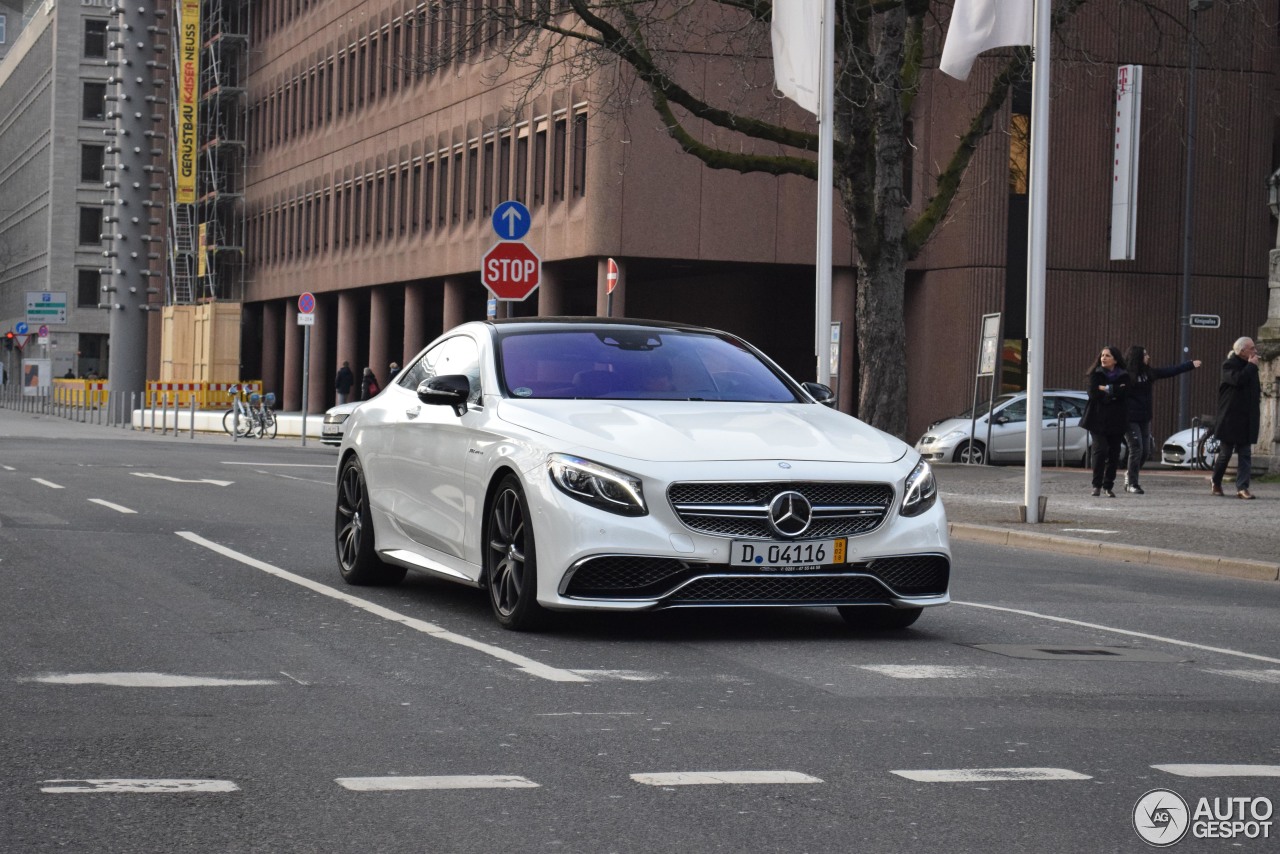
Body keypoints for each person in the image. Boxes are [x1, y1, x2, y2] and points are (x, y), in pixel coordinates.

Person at [1121, 346, 1201, 494]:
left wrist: (1188, 365)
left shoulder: (1148, 373)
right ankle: (1133, 483)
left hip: (1144, 418)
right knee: (1136, 448)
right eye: (1145, 354)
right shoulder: (1126, 376)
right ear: (1137, 357)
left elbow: (1169, 371)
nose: (1148, 356)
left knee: (1145, 451)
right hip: (1130, 419)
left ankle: (1130, 473)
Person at [1210, 337, 1262, 499]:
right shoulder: (1229, 365)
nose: (1255, 351)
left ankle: (1242, 487)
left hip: (1247, 417)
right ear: (1242, 351)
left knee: (1245, 453)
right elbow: (1238, 380)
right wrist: (1252, 366)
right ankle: (1216, 481)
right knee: (1225, 453)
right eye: (1251, 348)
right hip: (1231, 417)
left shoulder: (1251, 367)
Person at [1080, 346, 1130, 498]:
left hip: (1117, 420)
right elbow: (1093, 393)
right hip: (1097, 419)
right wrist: (1113, 392)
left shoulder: (1124, 376)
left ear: (1115, 359)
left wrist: (1106, 389)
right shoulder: (1095, 374)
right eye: (1102, 355)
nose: (1104, 358)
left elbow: (1125, 392)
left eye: (1108, 356)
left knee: (1114, 453)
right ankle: (1096, 485)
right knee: (1100, 450)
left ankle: (1108, 485)